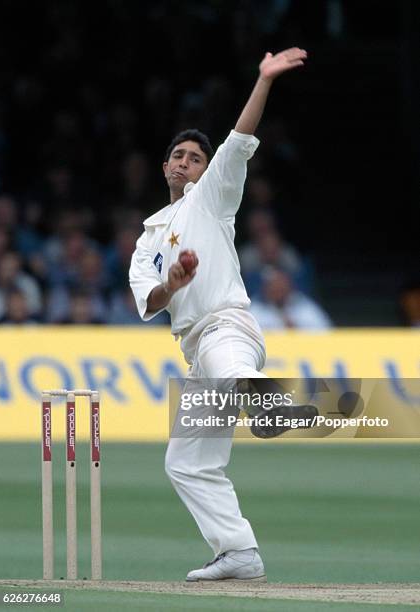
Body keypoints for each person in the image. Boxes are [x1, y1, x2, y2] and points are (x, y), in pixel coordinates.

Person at [129, 47, 308, 582]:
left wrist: (264, 80)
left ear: (206, 172)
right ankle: (239, 553)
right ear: (165, 165)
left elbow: (239, 143)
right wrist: (171, 283)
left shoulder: (211, 199)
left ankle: (266, 398)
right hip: (195, 354)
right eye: (178, 156)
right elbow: (150, 301)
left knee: (223, 353)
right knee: (186, 463)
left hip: (228, 326)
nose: (185, 162)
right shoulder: (147, 240)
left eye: (194, 158)